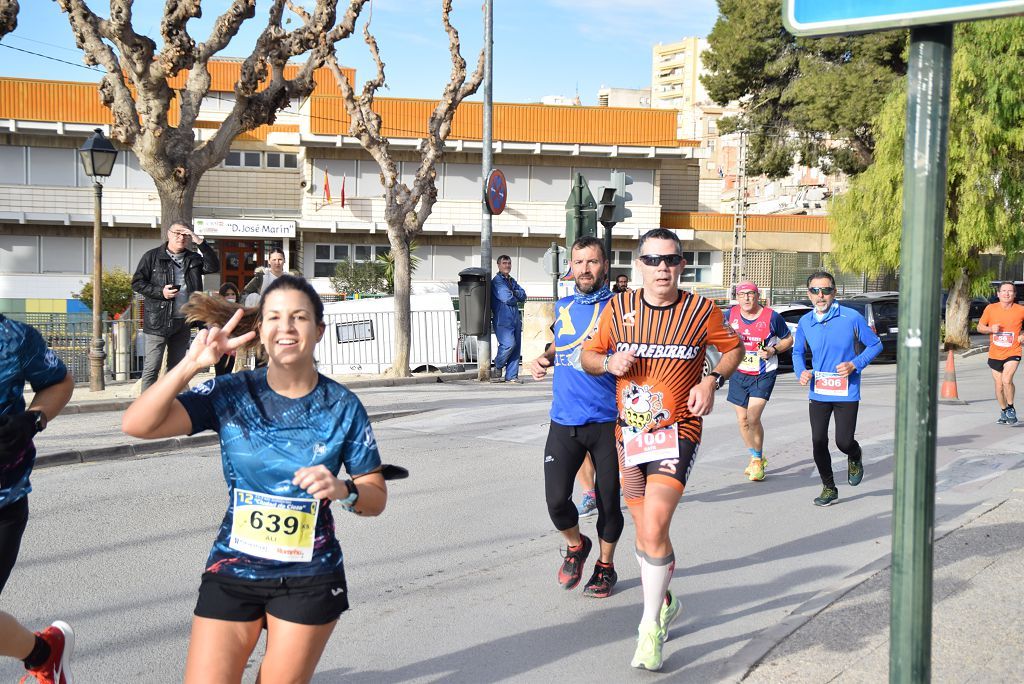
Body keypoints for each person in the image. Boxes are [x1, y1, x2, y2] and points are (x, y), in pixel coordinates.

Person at [123, 275, 388, 683]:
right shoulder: (231, 392)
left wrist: (343, 489)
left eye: (299, 318)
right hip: (234, 568)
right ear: (260, 329)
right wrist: (191, 364)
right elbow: (137, 424)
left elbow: (375, 496)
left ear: (318, 330)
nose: (286, 327)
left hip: (309, 576)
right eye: (275, 317)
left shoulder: (343, 406)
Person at [581, 228, 742, 671]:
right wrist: (608, 362)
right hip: (629, 435)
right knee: (646, 531)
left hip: (679, 430)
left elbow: (733, 348)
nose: (662, 269)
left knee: (653, 524)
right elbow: (589, 357)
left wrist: (712, 380)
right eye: (652, 260)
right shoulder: (619, 309)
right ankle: (665, 598)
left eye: (670, 260)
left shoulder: (701, 310)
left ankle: (649, 628)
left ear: (682, 264)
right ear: (639, 265)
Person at [529, 236, 624, 598]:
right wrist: (544, 358)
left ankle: (605, 566)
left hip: (608, 421)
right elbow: (562, 343)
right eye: (579, 262)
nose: (585, 269)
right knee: (556, 501)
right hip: (564, 420)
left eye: (592, 262)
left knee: (608, 501)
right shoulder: (564, 305)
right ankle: (575, 545)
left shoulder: (621, 309)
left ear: (605, 266)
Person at [0, 314, 76, 683]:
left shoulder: (12, 337)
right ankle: (44, 653)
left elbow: (59, 382)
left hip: (3, 502)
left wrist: (31, 421)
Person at [792, 272, 882, 507]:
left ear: (835, 292)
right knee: (818, 441)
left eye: (826, 290)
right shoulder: (805, 322)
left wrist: (855, 364)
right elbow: (797, 352)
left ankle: (855, 454)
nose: (820, 296)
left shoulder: (850, 317)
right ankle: (829, 487)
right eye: (815, 290)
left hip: (846, 390)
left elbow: (875, 345)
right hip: (819, 389)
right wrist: (801, 370)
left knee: (843, 441)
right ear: (808, 293)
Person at [132, 222, 219, 391]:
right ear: (168, 234)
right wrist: (160, 292)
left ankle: (171, 405)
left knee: (176, 369)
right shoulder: (152, 257)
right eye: (178, 233)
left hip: (183, 322)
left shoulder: (192, 258)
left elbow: (213, 266)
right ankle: (146, 409)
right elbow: (137, 283)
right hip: (158, 321)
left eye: (185, 234)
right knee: (152, 368)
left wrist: (199, 241)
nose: (181, 237)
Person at [725, 281, 793, 481]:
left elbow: (789, 340)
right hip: (739, 372)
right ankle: (756, 457)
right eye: (742, 294)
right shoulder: (730, 315)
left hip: (764, 373)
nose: (746, 298)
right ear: (737, 297)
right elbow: (716, 333)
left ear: (757, 296)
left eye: (751, 294)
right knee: (742, 420)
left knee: (753, 417)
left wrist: (772, 350)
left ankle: (756, 459)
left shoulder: (772, 317)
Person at [977, 281, 1024, 425]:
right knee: (999, 384)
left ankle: (1010, 408)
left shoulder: (1020, 310)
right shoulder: (991, 309)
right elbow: (980, 327)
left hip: (1013, 350)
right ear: (998, 294)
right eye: (1004, 291)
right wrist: (991, 329)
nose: (1007, 293)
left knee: (1006, 380)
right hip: (995, 352)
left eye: (1010, 291)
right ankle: (1003, 410)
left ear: (1014, 294)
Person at [491, 254, 527, 383]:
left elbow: (523, 295)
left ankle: (512, 376)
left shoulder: (511, 280)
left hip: (515, 317)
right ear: (499, 265)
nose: (507, 266)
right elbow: (506, 298)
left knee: (516, 347)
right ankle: (498, 365)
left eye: (509, 263)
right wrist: (515, 294)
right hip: (502, 318)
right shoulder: (497, 281)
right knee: (508, 344)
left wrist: (514, 293)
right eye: (504, 263)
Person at [213, 283, 241, 377]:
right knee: (220, 374)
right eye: (227, 294)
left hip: (233, 348)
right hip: (220, 347)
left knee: (228, 374)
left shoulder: (239, 310)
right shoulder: (218, 310)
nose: (230, 296)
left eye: (233, 294)